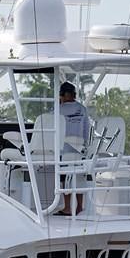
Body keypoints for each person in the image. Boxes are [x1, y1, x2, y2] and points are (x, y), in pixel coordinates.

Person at [56, 81, 90, 215]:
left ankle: (67, 207)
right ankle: (79, 207)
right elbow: (87, 129)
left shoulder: (58, 109)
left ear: (62, 95)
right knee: (78, 178)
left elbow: (52, 128)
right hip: (79, 150)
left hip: (63, 151)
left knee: (64, 178)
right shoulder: (82, 109)